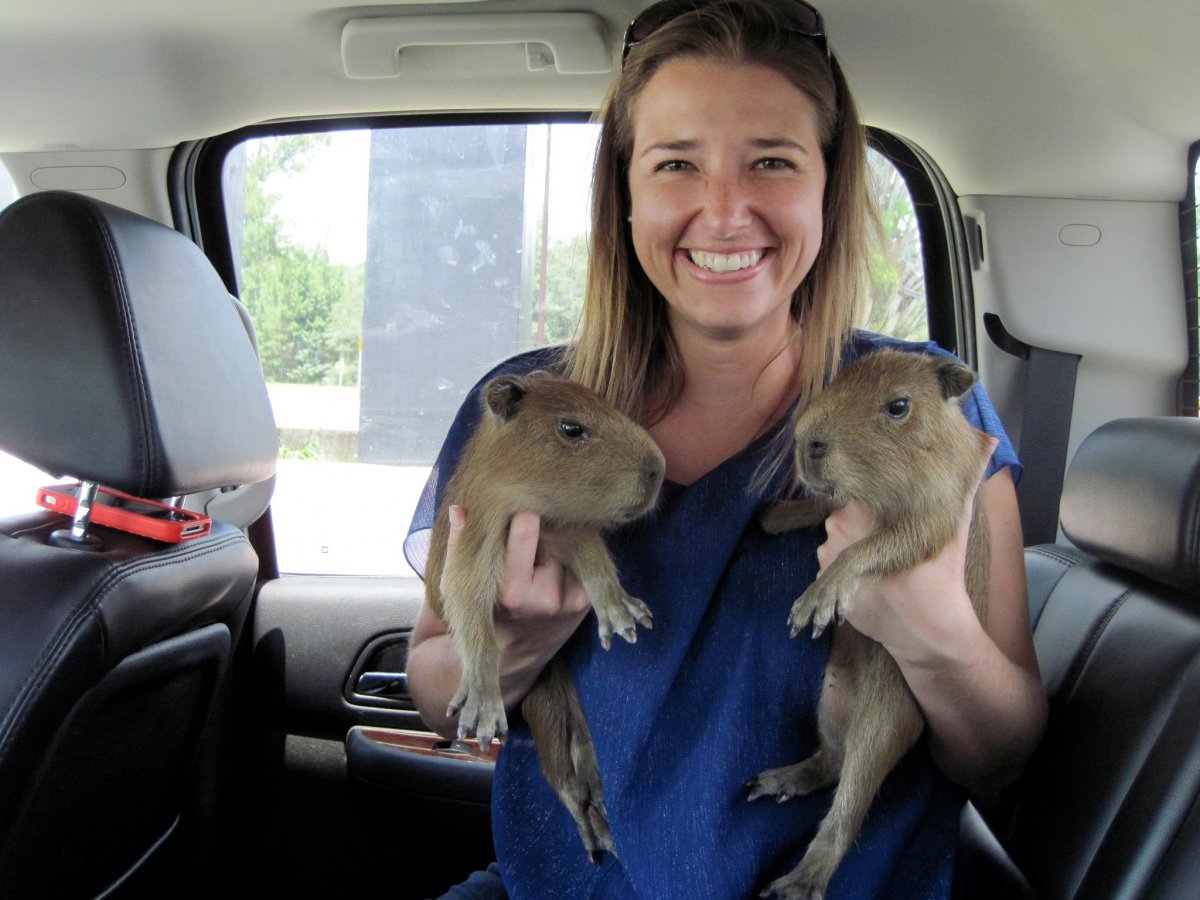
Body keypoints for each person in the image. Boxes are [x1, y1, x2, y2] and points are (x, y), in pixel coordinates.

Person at [404, 1, 1048, 896]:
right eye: (677, 164)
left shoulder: (930, 403)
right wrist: (512, 644)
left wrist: (938, 638)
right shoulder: (522, 409)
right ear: (625, 192)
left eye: (772, 162)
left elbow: (1006, 756)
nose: (725, 211)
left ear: (828, 183)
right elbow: (436, 687)